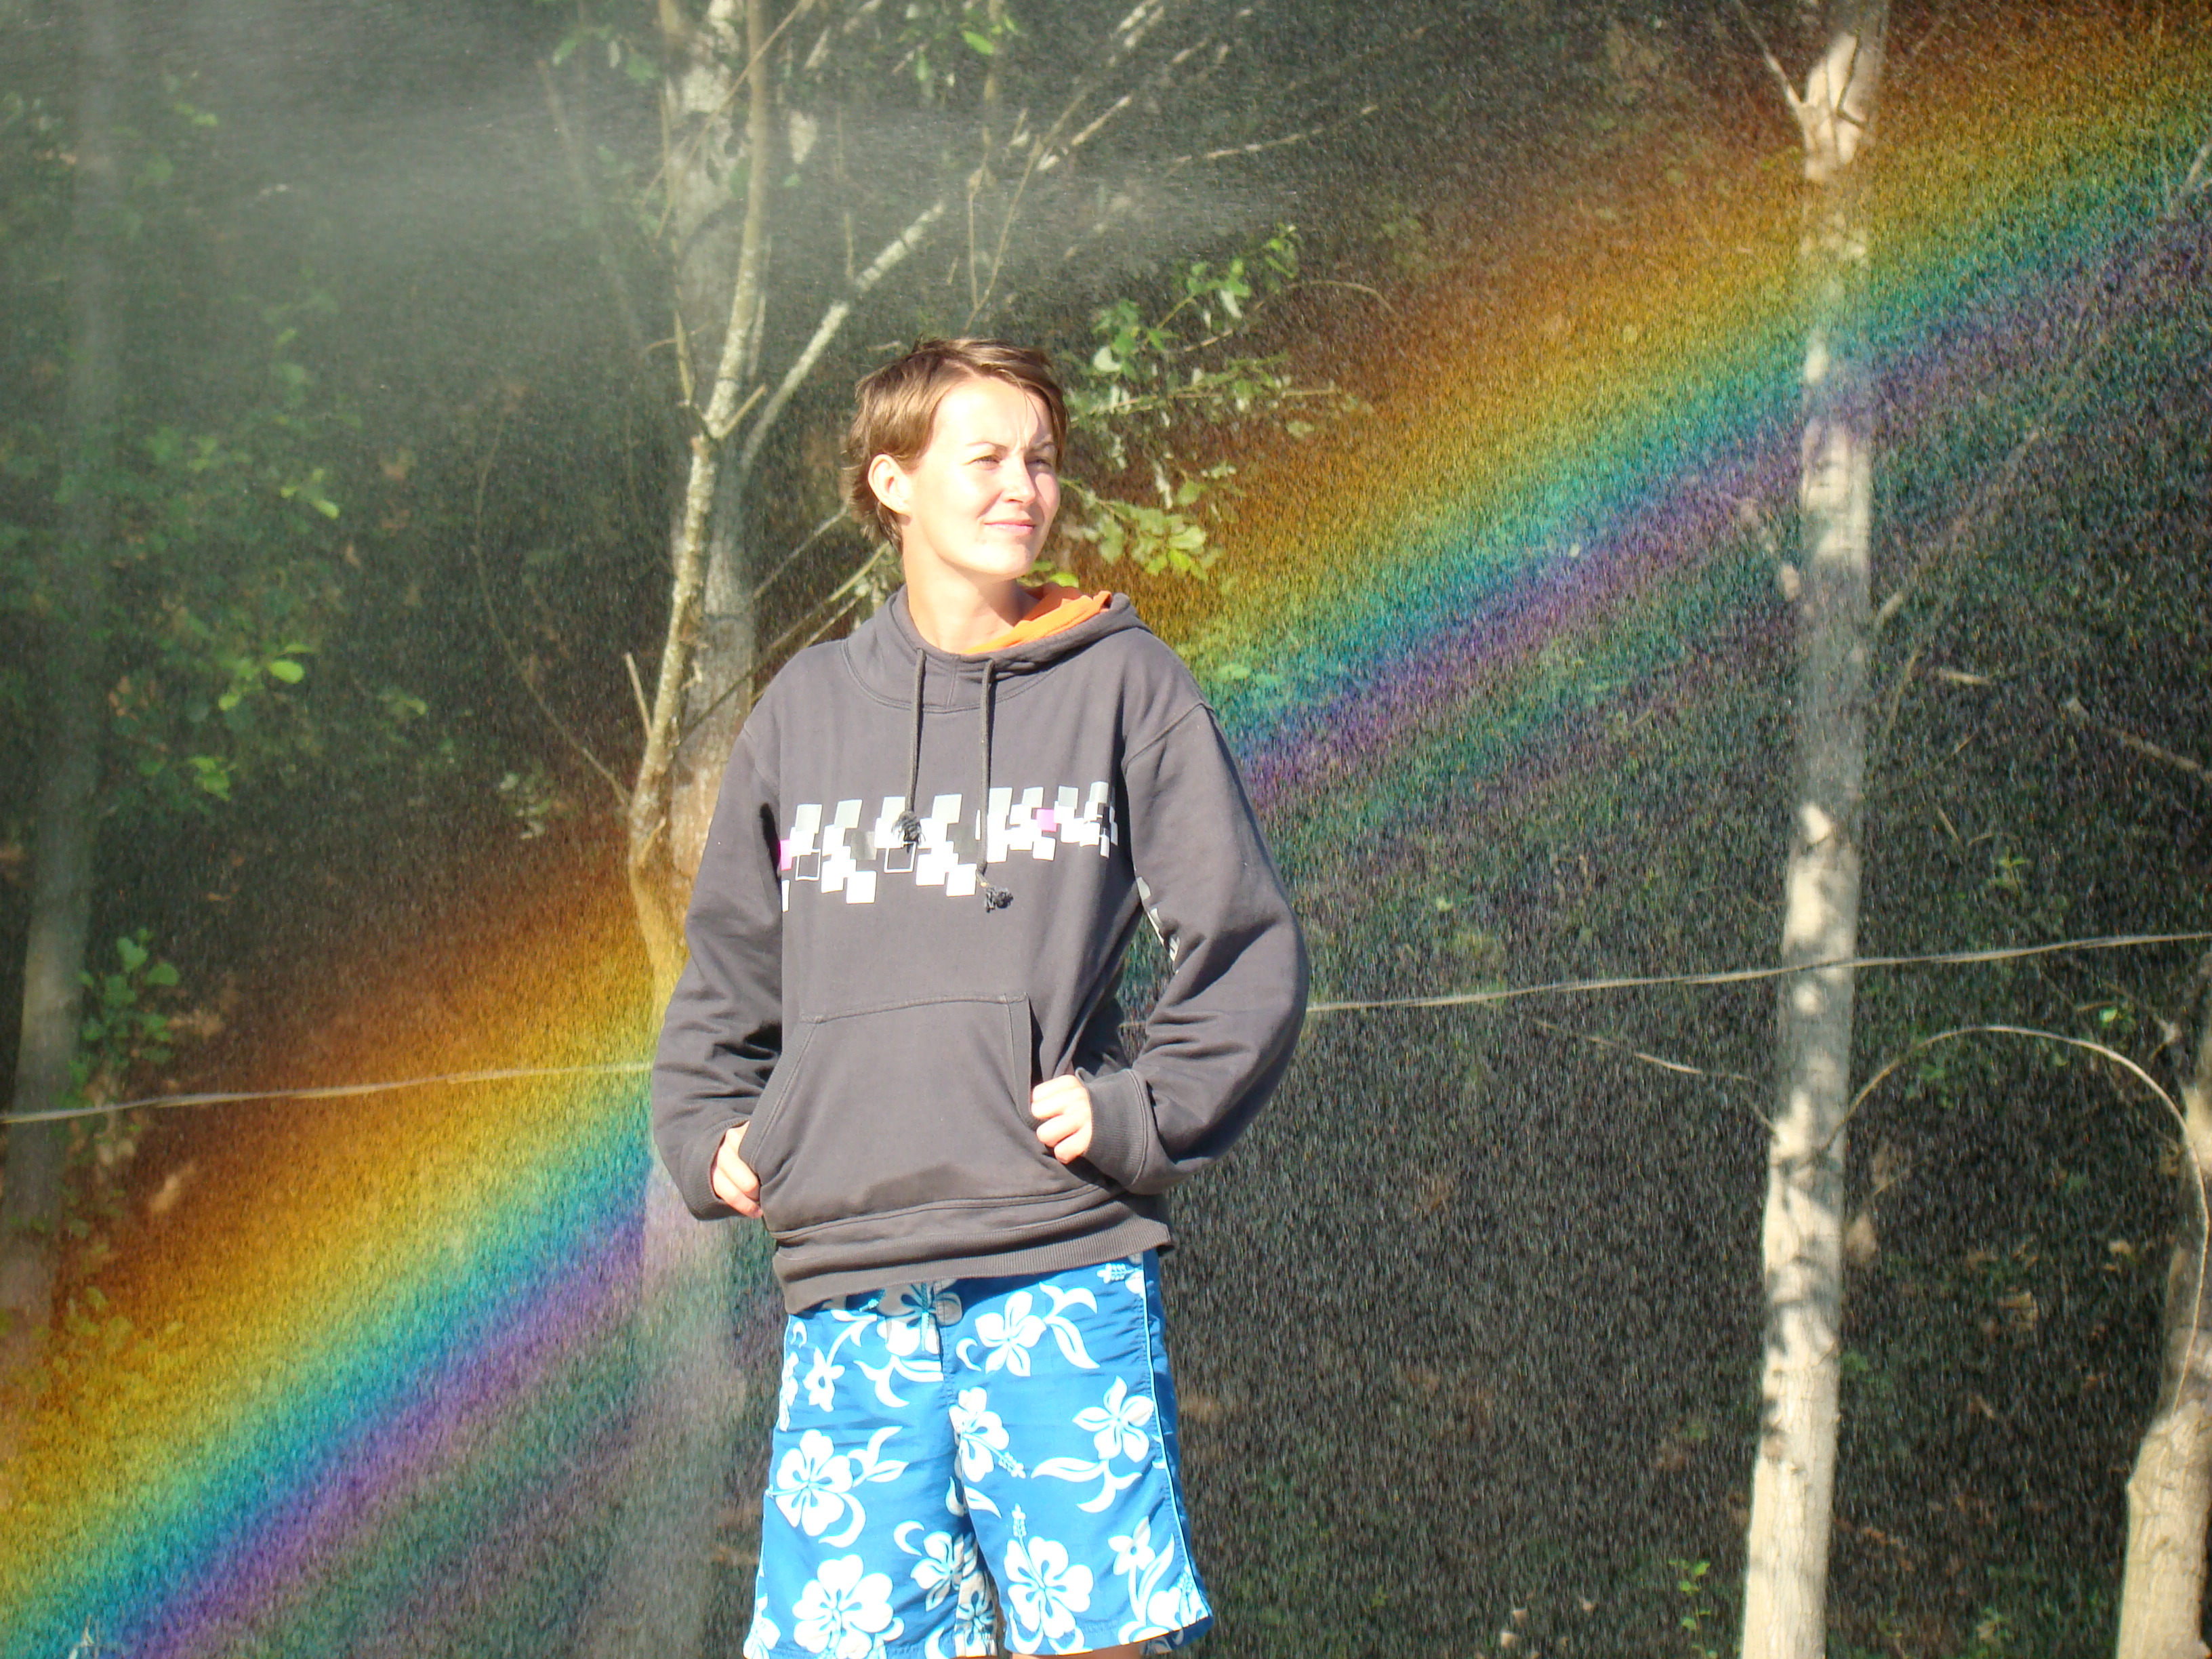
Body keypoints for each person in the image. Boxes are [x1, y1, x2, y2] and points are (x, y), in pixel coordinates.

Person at [651, 337, 1306, 1659]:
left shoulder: (1125, 683)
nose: (1025, 487)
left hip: (1054, 1263)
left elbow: (1246, 946)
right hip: (850, 1284)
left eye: (1042, 460)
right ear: (891, 482)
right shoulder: (805, 711)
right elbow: (727, 965)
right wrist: (708, 1126)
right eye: (987, 457)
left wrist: (1140, 1111)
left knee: (1101, 1641)